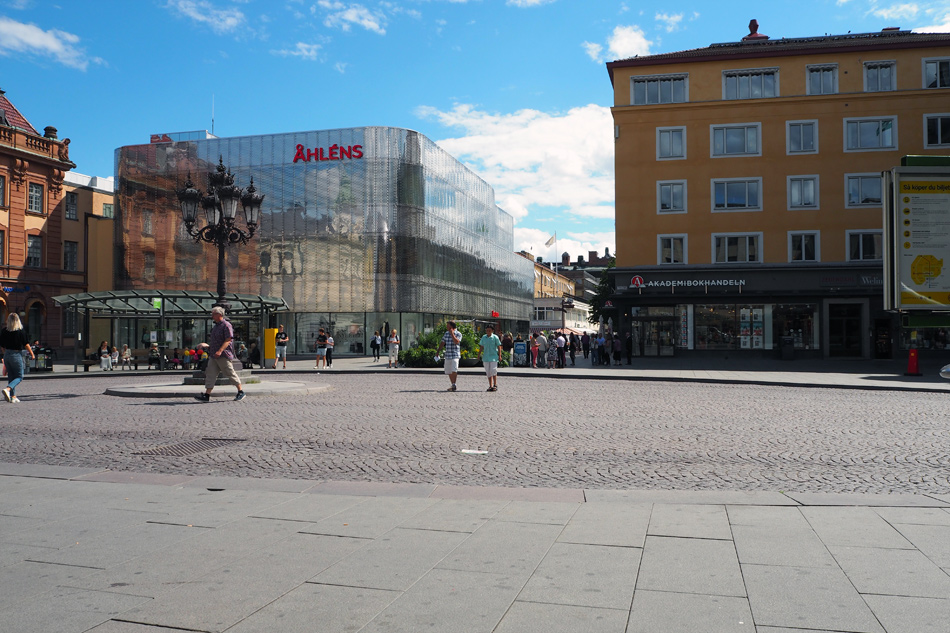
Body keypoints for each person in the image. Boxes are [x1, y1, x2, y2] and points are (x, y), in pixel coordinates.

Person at [195, 306, 245, 402]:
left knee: (229, 372)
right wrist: (207, 346)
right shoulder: (216, 327)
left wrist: (220, 350)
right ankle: (207, 395)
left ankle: (241, 391)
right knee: (211, 374)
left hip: (223, 355)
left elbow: (228, 339)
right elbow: (216, 342)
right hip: (214, 355)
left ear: (220, 315)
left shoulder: (226, 325)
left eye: (214, 314)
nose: (212, 316)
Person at [1, 314, 34, 403]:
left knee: (11, 376)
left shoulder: (4, 331)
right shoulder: (21, 331)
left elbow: (2, 346)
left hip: (7, 354)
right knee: (19, 376)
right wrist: (32, 354)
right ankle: (8, 389)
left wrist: (5, 354)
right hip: (16, 354)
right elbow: (26, 344)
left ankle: (13, 396)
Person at [437, 321, 462, 391]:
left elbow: (456, 342)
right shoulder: (446, 333)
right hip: (448, 354)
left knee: (454, 369)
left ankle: (454, 384)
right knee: (448, 371)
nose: (446, 327)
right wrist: (438, 351)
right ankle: (453, 384)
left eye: (448, 325)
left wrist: (452, 334)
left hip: (455, 354)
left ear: (451, 326)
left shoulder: (458, 333)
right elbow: (442, 342)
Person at [479, 324, 502, 392]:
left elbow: (499, 346)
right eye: (487, 330)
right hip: (486, 357)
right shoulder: (484, 337)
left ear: (492, 331)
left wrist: (499, 355)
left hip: (493, 357)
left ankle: (495, 384)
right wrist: (479, 354)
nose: (488, 332)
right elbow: (481, 346)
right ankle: (490, 385)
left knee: (493, 370)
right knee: (488, 372)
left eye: (489, 330)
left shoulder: (495, 337)